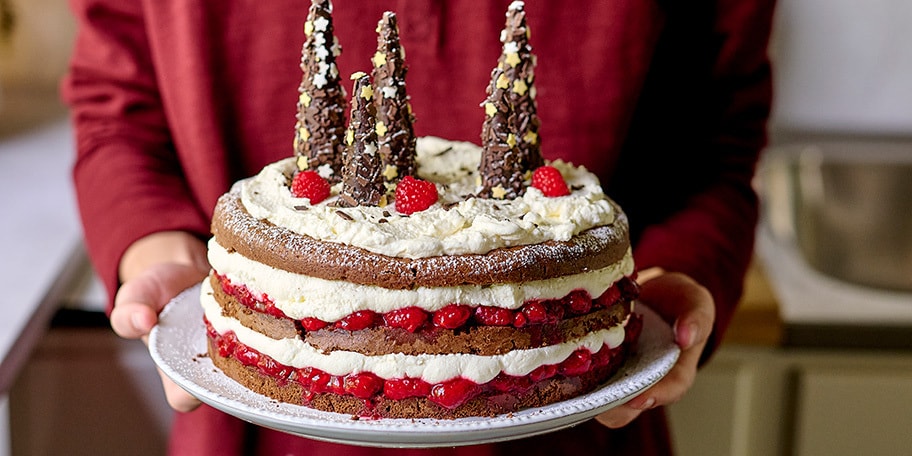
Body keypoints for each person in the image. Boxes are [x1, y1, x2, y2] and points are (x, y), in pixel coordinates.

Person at [63, 0, 776, 454]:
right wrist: (162, 249)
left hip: (584, 424)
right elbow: (114, 107)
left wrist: (680, 273)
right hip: (247, 430)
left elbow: (719, 137)